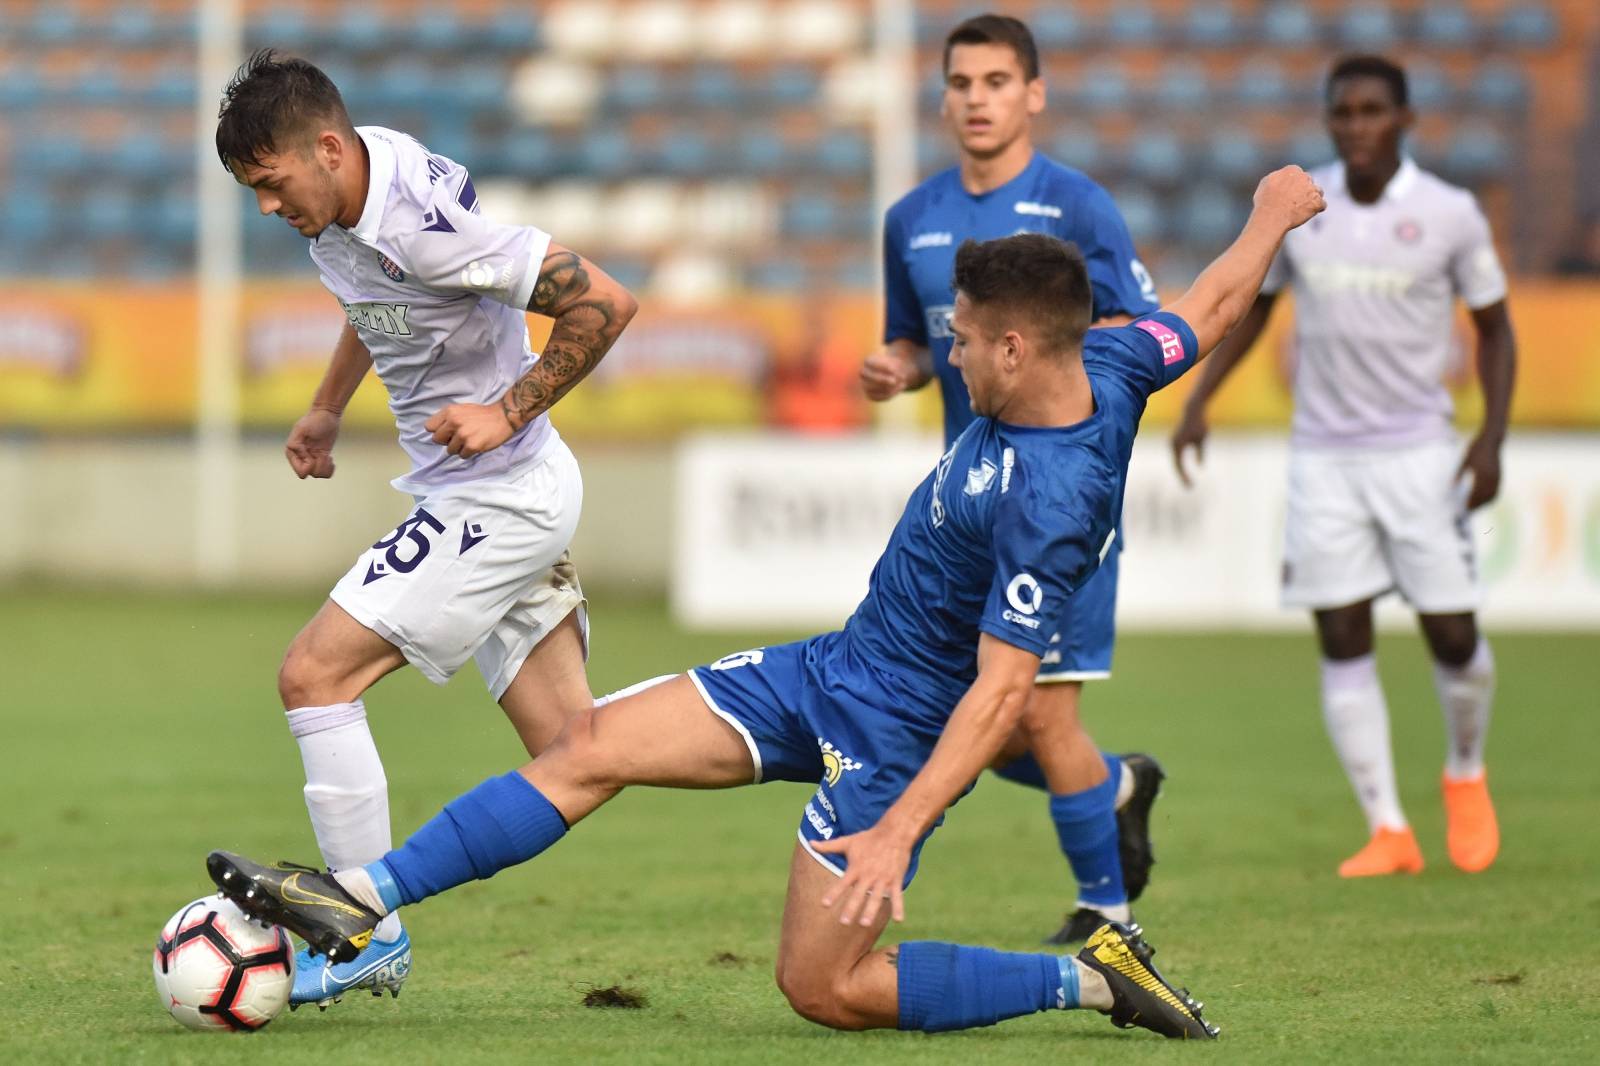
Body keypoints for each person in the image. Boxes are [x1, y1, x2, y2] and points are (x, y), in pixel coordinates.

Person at [206, 166, 1328, 1041]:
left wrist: (897, 826)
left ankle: (1089, 979)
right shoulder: (1121, 359)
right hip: (834, 666)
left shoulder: (1055, 495)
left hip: (893, 739)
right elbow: (1212, 303)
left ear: (1019, 344)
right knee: (587, 745)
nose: (951, 352)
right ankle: (359, 900)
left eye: (965, 339)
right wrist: (1272, 216)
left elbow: (1001, 693)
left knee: (822, 988)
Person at [214, 50, 638, 1006]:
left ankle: (364, 929)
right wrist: (327, 405)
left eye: (271, 184)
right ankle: (786, 734)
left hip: (495, 495)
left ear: (325, 148)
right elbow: (381, 301)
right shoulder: (350, 196)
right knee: (581, 751)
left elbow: (606, 303)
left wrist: (508, 409)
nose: (268, 209)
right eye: (252, 192)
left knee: (314, 675)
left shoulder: (425, 226)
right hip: (492, 490)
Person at [1171, 55, 1516, 878]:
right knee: (1342, 634)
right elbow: (1256, 309)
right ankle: (1388, 828)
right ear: (1329, 122)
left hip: (1420, 454)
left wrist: (1492, 437)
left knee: (1454, 635)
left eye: (1372, 111)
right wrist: (1199, 398)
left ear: (1405, 121)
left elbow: (1497, 330)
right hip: (1323, 457)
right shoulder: (1305, 208)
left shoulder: (1449, 214)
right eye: (1343, 113)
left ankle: (1465, 770)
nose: (1357, 125)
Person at [861, 13, 1165, 944]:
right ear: (943, 95)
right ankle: (1115, 784)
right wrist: (900, 368)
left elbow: (1135, 335)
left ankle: (1108, 913)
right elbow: (920, 343)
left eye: (996, 81)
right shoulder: (909, 219)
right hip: (970, 508)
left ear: (1033, 94)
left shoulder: (1079, 208)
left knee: (1030, 703)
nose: (976, 99)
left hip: (1057, 497)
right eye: (961, 83)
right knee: (993, 724)